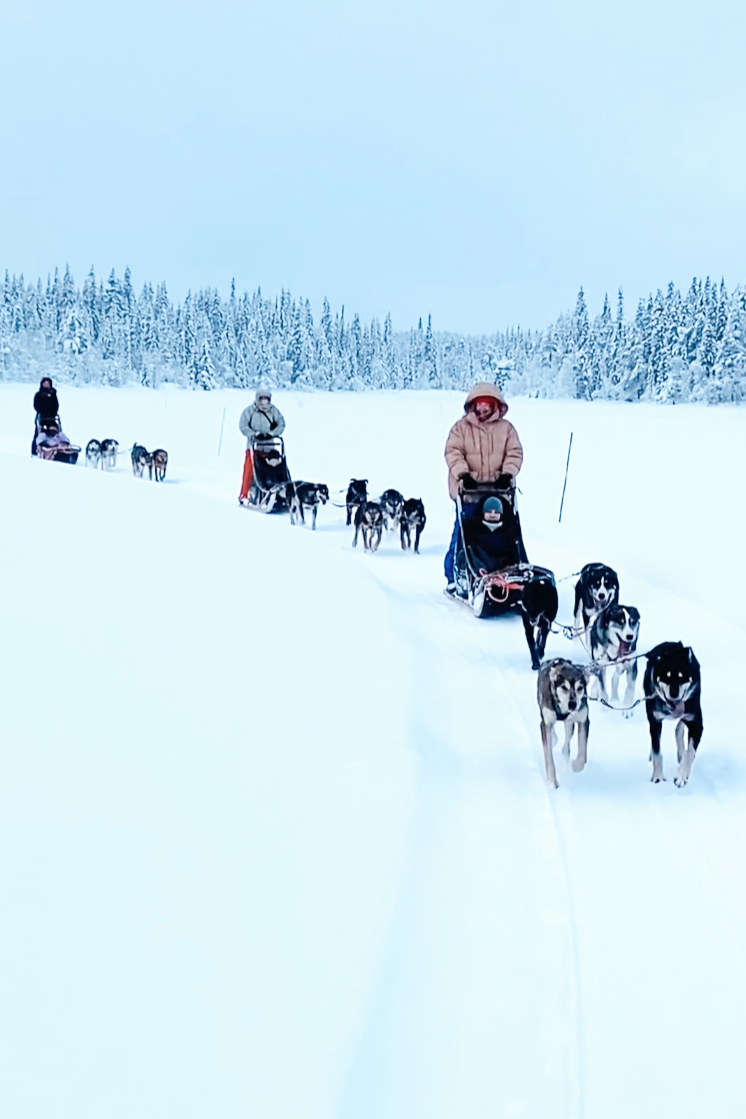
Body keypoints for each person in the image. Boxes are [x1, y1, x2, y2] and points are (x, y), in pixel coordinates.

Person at [443, 381, 523, 589]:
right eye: (480, 403)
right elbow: (453, 451)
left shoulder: (506, 429)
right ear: (473, 405)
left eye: (488, 403)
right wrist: (462, 473)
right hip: (469, 493)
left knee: (507, 535)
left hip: (499, 494)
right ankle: (454, 576)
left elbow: (515, 452)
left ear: (496, 405)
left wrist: (507, 473)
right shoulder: (460, 429)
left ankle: (510, 568)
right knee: (463, 534)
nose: (483, 407)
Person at [238, 388, 286, 505]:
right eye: (262, 400)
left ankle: (281, 490)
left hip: (269, 446)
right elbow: (243, 426)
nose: (264, 403)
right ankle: (244, 494)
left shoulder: (273, 411)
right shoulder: (250, 411)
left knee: (276, 467)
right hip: (253, 446)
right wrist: (254, 434)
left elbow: (281, 423)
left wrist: (272, 433)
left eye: (266, 400)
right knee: (249, 468)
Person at [465, 496, 521, 575]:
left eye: (496, 512)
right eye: (489, 511)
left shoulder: (508, 529)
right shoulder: (474, 529)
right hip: (482, 563)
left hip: (505, 566)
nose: (492, 515)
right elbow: (471, 551)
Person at [32, 377, 59, 456]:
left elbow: (56, 405)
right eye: (45, 383)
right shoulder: (38, 395)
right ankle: (34, 451)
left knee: (55, 434)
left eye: (48, 383)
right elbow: (36, 405)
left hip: (52, 418)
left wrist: (53, 412)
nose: (46, 385)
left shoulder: (53, 394)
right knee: (38, 435)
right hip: (41, 418)